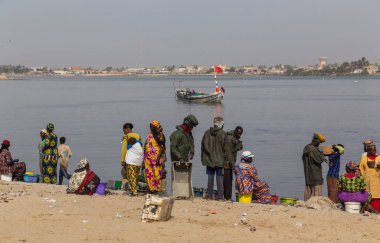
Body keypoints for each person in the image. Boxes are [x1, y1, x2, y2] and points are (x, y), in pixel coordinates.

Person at [201, 116, 228, 200]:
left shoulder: (206, 133)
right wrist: (226, 160)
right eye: (223, 124)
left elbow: (203, 146)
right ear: (220, 124)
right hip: (220, 161)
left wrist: (203, 159)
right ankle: (220, 197)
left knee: (210, 178)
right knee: (219, 179)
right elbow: (226, 149)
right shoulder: (223, 134)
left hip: (209, 160)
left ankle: (209, 196)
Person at [302, 132, 327, 201]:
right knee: (317, 196)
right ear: (316, 140)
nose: (320, 144)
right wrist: (321, 152)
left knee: (308, 194)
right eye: (319, 142)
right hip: (316, 176)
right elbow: (320, 160)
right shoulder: (313, 149)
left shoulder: (306, 147)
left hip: (308, 175)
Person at [144, 120, 166, 193]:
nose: (151, 128)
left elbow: (162, 148)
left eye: (152, 127)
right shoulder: (149, 135)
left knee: (157, 173)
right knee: (149, 173)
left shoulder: (160, 135)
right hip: (147, 157)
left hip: (156, 157)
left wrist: (159, 158)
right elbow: (146, 144)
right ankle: (151, 188)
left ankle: (157, 189)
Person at [224, 126, 243, 200]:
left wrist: (238, 147)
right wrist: (233, 166)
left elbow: (232, 150)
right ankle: (227, 198)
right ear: (235, 131)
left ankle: (228, 197)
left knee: (229, 181)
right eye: (238, 133)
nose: (239, 135)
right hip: (227, 162)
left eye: (240, 134)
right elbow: (229, 153)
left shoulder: (234, 137)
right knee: (227, 181)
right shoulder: (230, 138)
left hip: (230, 162)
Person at [359, 144, 380, 212]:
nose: (374, 151)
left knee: (377, 195)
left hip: (377, 180)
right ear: (368, 150)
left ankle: (377, 210)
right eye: (372, 150)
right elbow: (361, 169)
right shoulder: (364, 158)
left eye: (375, 150)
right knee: (367, 195)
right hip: (366, 181)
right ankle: (368, 209)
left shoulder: (379, 158)